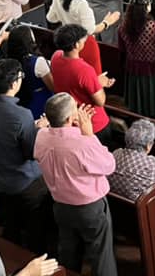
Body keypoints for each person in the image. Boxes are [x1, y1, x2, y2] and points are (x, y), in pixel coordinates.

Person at [0, 58, 54, 254]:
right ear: (14, 83)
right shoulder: (21, 115)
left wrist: (30, 128)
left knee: (12, 220)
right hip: (25, 181)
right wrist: (39, 129)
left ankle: (11, 248)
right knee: (36, 225)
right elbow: (30, 153)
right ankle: (35, 253)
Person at [34, 93, 118, 276]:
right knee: (101, 255)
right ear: (70, 118)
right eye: (75, 109)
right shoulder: (81, 142)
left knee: (68, 252)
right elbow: (109, 165)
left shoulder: (41, 136)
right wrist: (89, 134)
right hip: (89, 208)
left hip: (61, 205)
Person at [50, 24, 115, 145]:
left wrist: (94, 80)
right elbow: (101, 101)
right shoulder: (84, 70)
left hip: (71, 120)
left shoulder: (55, 57)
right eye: (83, 40)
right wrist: (99, 83)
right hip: (93, 123)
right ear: (76, 45)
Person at [3, 25, 55, 119]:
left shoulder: (7, 61)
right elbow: (53, 86)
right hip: (43, 104)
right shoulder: (38, 62)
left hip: (22, 103)